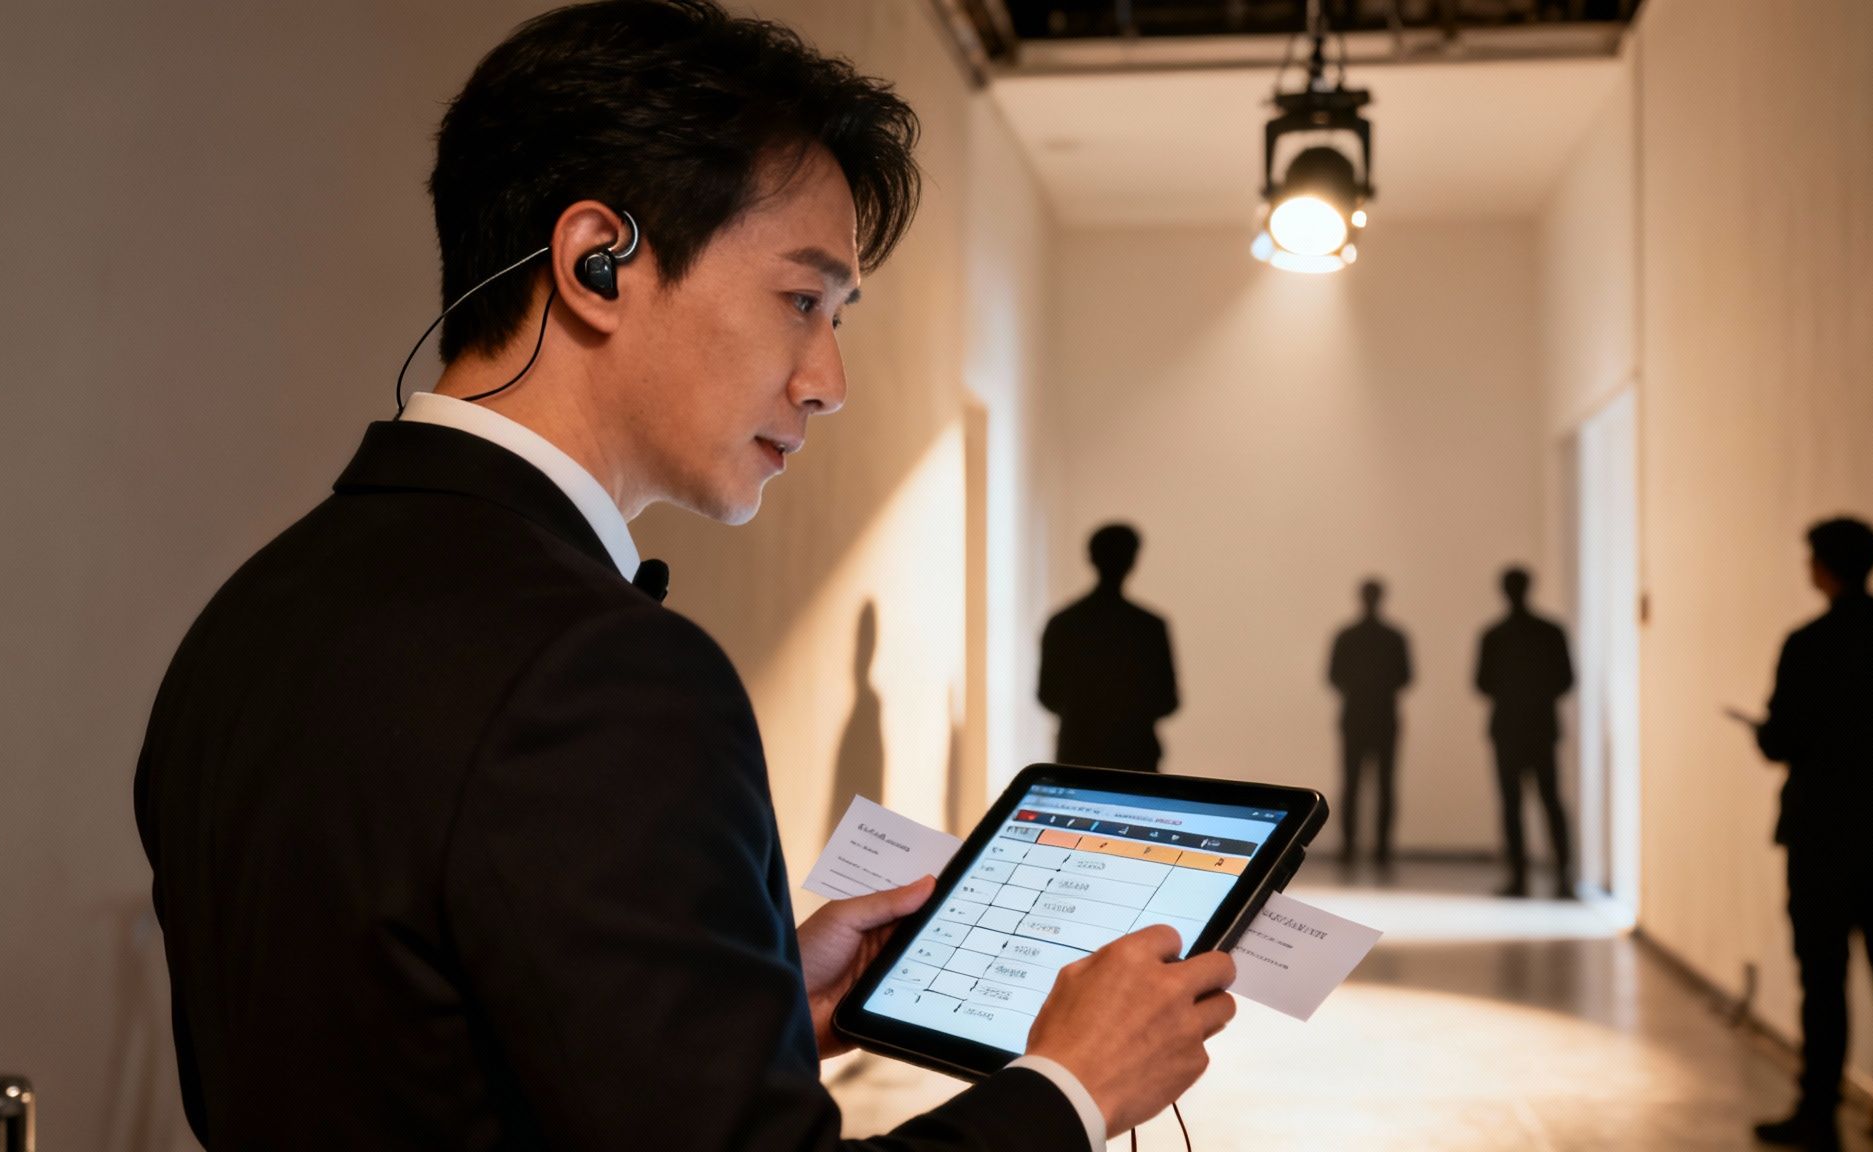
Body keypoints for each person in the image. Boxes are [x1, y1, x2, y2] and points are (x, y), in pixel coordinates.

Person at [132, 5, 1235, 1149]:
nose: (829, 380)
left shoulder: (247, 618)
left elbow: (412, 1049)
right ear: (596, 262)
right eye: (801, 301)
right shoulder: (602, 673)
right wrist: (1072, 1085)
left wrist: (740, 1013)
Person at [1747, 518, 1873, 1152]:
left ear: (1823, 568)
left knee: (1822, 977)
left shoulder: (1808, 645)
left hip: (1820, 833)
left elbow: (1780, 738)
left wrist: (1772, 736)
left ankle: (1819, 1109)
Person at [1038, 524, 1181, 773]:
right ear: (1133, 560)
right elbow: (1167, 700)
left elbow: (1047, 694)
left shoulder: (1064, 623)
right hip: (1135, 753)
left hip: (1078, 751)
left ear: (1091, 558)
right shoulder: (1148, 626)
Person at [1474, 566, 1576, 899]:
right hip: (1539, 726)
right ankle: (1562, 875)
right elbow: (1565, 680)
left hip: (1509, 728)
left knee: (1515, 804)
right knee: (1548, 801)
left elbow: (1482, 683)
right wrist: (1535, 694)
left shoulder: (1494, 635)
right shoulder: (1549, 632)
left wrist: (1512, 693)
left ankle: (1520, 877)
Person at [1326, 578, 1413, 866]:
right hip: (1381, 717)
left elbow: (1334, 676)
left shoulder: (1348, 636)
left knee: (1354, 784)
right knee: (1379, 785)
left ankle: (1353, 847)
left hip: (1357, 717)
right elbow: (1405, 676)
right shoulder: (1393, 637)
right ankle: (1380, 849)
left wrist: (1359, 687)